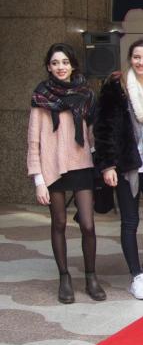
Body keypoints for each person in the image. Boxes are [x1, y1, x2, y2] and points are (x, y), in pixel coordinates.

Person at [27, 43, 104, 304]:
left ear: (73, 65)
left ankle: (91, 277)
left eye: (65, 62)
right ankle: (64, 278)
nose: (61, 67)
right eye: (55, 63)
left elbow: (93, 132)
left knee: (88, 224)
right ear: (49, 66)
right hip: (52, 165)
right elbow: (34, 141)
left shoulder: (86, 94)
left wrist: (101, 161)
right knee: (58, 223)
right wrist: (38, 180)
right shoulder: (41, 97)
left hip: (81, 162)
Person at [94, 39, 143, 300]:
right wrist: (108, 165)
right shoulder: (117, 86)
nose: (141, 62)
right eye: (136, 57)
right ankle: (136, 276)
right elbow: (103, 128)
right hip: (125, 165)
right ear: (130, 58)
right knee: (130, 221)